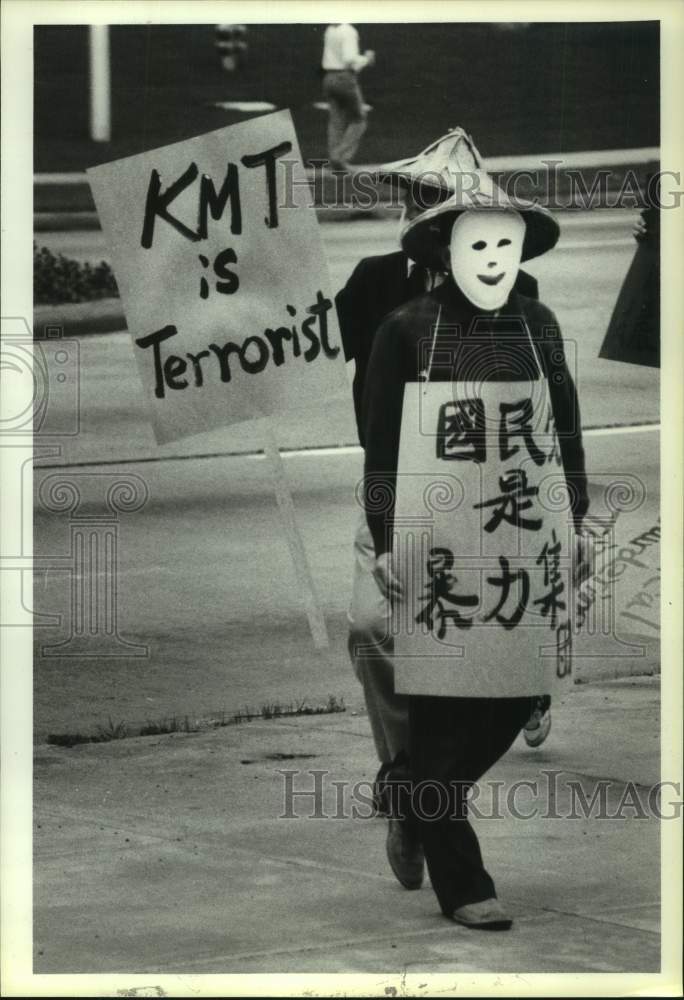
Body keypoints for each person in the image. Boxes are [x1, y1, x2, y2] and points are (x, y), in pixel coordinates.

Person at [361, 170, 590, 929]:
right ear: (446, 250)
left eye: (504, 243)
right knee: (435, 699)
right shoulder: (404, 330)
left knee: (522, 686)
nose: (491, 257)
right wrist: (392, 544)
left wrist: (577, 525)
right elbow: (384, 455)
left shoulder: (539, 326)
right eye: (476, 243)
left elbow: (564, 436)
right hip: (434, 545)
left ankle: (410, 794)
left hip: (524, 538)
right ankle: (463, 884)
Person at [335, 129, 548, 893]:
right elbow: (339, 369)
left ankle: (424, 788)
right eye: (424, 197)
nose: (436, 210)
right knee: (372, 629)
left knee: (478, 659)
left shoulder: (515, 295)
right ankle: (407, 782)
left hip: (489, 500)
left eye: (452, 200)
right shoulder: (370, 284)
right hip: (395, 491)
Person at [321, 24, 374, 172]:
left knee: (336, 121)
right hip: (344, 78)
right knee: (359, 120)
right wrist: (366, 59)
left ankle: (335, 161)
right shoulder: (348, 30)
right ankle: (339, 156)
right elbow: (349, 59)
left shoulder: (330, 29)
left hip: (328, 77)